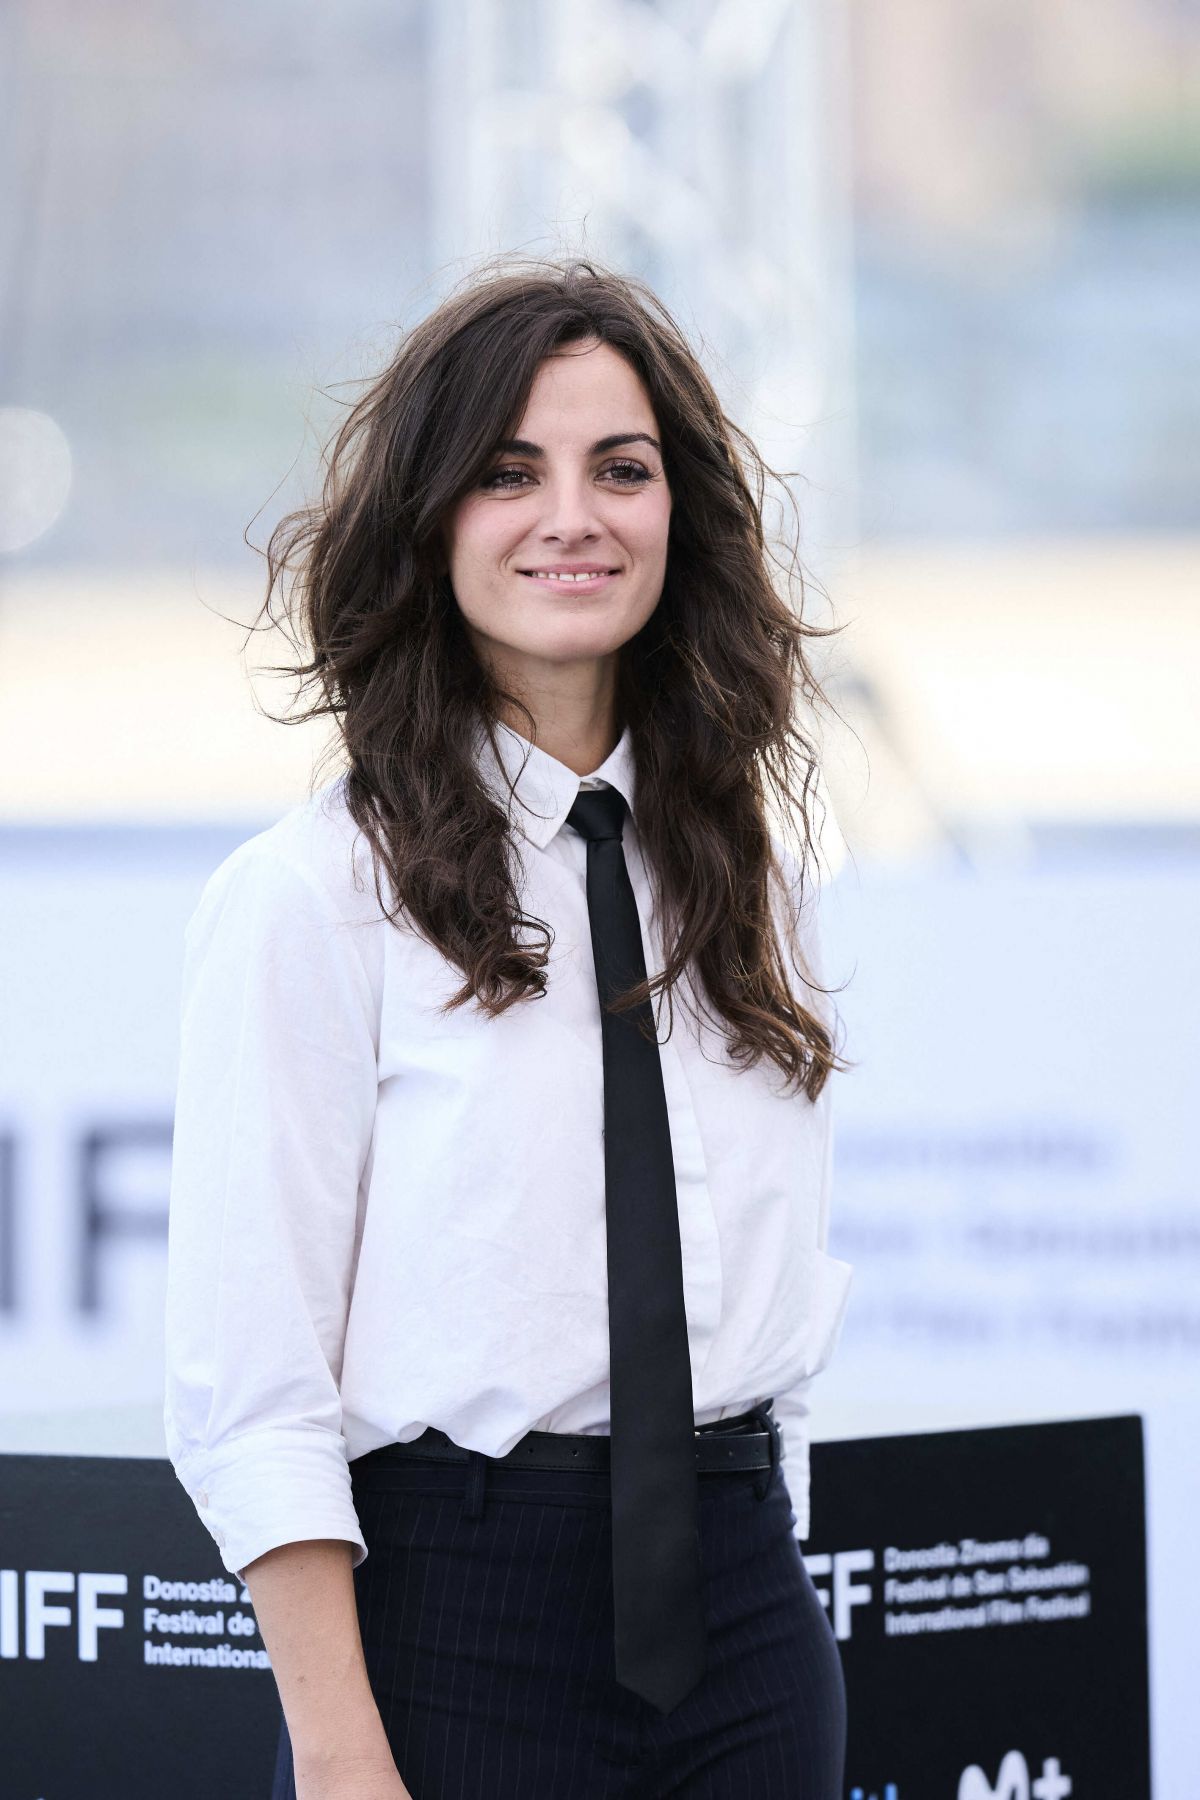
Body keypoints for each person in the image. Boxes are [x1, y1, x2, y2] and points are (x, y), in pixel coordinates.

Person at [163, 253, 856, 1800]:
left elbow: (765, 1294)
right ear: (430, 521)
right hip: (456, 1637)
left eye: (622, 468)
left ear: (681, 513)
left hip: (748, 1624)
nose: (573, 516)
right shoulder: (312, 896)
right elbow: (253, 1385)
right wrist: (339, 1751)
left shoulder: (752, 874)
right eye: (507, 472)